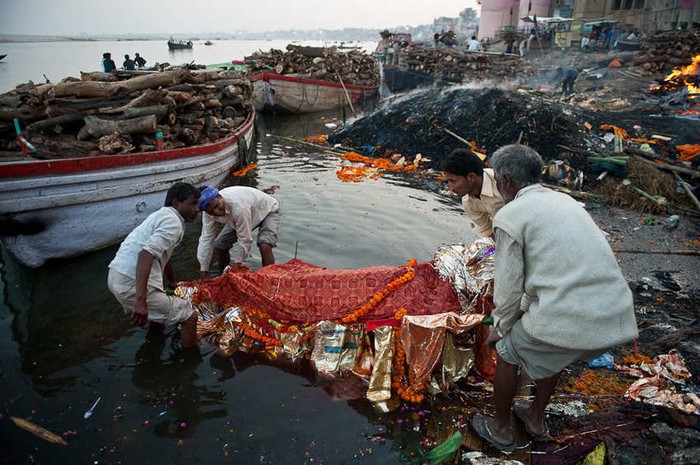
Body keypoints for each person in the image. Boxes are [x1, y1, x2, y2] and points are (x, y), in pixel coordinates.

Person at [469, 144, 638, 452]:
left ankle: (501, 429)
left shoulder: (510, 215)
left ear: (505, 181)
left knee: (508, 351)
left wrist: (500, 327)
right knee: (553, 346)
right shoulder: (567, 201)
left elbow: (508, 289)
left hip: (572, 316)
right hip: (614, 315)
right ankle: (534, 418)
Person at [107, 182, 201, 348]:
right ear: (176, 203)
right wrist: (140, 300)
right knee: (189, 316)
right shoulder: (173, 223)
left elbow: (163, 252)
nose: (197, 209)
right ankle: (188, 365)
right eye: (192, 204)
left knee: (159, 317)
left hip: (117, 275)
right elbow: (146, 254)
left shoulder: (162, 215)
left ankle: (153, 346)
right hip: (131, 282)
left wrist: (171, 282)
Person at [197, 185, 280, 276]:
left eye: (217, 206)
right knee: (220, 245)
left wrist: (237, 265)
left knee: (265, 245)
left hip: (267, 210)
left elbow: (245, 240)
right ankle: (224, 273)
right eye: (211, 211)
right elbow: (206, 238)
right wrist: (203, 269)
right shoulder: (208, 214)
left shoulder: (238, 207)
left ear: (219, 197)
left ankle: (270, 277)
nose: (217, 212)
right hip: (240, 215)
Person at [441, 149, 505, 240]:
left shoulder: (503, 183)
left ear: (471, 177)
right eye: (448, 181)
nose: (450, 188)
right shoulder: (468, 202)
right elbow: (487, 230)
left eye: (453, 181)